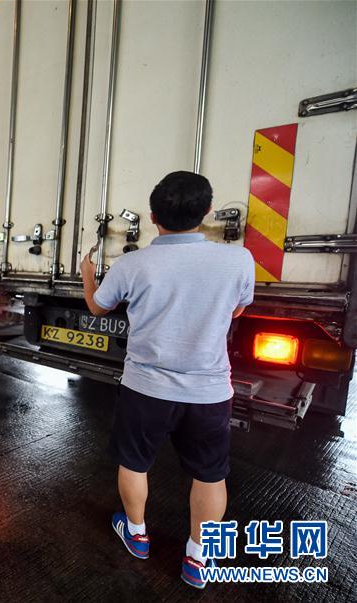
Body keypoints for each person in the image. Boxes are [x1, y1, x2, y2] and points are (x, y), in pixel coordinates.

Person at [80, 171, 255, 589]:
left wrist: (89, 273)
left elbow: (98, 307)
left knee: (134, 461)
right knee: (211, 474)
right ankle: (198, 558)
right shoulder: (239, 259)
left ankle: (137, 534)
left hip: (146, 388)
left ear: (154, 215)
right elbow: (236, 310)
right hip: (209, 391)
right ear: (208, 212)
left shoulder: (133, 264)